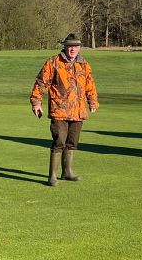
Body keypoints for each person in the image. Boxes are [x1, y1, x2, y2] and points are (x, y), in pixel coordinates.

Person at [30, 33, 99, 186]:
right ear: (65, 47)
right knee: (59, 141)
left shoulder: (84, 64)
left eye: (75, 46)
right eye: (69, 46)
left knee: (72, 142)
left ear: (79, 48)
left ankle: (67, 172)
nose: (72, 49)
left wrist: (92, 102)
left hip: (78, 112)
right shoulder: (54, 62)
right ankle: (52, 176)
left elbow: (90, 85)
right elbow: (41, 82)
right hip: (59, 111)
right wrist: (36, 102)